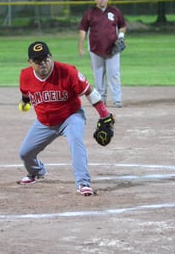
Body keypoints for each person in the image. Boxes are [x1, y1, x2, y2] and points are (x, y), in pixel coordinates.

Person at [18, 41, 114, 196]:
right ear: (30, 62)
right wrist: (25, 102)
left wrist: (104, 114)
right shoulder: (25, 75)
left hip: (71, 117)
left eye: (45, 59)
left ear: (51, 57)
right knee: (25, 153)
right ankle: (37, 171)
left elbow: (89, 91)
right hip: (44, 123)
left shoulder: (67, 71)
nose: (43, 63)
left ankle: (83, 183)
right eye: (38, 61)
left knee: (76, 141)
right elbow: (25, 93)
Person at [78, 0, 127, 108]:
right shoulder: (90, 12)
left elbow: (122, 25)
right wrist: (80, 46)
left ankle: (117, 100)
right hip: (95, 50)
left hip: (113, 50)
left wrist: (121, 36)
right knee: (98, 75)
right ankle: (101, 100)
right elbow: (83, 29)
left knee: (114, 74)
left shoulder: (114, 11)